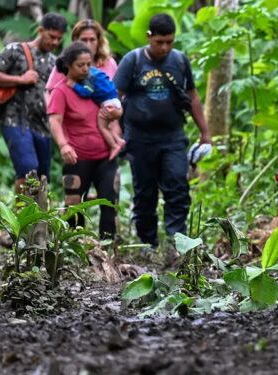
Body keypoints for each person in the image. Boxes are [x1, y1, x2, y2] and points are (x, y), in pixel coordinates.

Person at [114, 14, 211, 252]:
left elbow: (193, 95)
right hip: (139, 138)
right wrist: (115, 132)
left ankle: (177, 242)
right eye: (159, 42)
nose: (164, 47)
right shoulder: (133, 61)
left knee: (178, 185)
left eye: (169, 42)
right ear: (149, 37)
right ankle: (148, 242)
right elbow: (115, 97)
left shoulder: (179, 60)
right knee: (144, 192)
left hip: (172, 136)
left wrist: (205, 132)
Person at [47, 42, 123, 238]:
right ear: (68, 66)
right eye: (81, 65)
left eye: (89, 64)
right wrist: (63, 145)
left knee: (109, 201)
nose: (86, 69)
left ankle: (107, 248)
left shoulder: (94, 85)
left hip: (105, 156)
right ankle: (75, 246)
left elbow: (112, 108)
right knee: (74, 203)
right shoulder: (61, 91)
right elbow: (55, 121)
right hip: (77, 158)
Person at [0, 13, 67, 191]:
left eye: (59, 39)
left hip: (43, 125)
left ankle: (37, 217)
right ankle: (21, 216)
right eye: (51, 37)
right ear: (40, 30)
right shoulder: (16, 49)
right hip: (15, 120)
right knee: (27, 168)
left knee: (42, 177)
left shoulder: (55, 63)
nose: (54, 42)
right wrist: (21, 79)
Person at [46, 19, 124, 159]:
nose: (88, 44)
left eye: (92, 40)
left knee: (111, 179)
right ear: (75, 40)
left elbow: (116, 94)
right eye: (83, 40)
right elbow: (50, 95)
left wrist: (117, 124)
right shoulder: (66, 65)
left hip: (106, 134)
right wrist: (60, 133)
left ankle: (114, 144)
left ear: (99, 41)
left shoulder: (108, 63)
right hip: (77, 140)